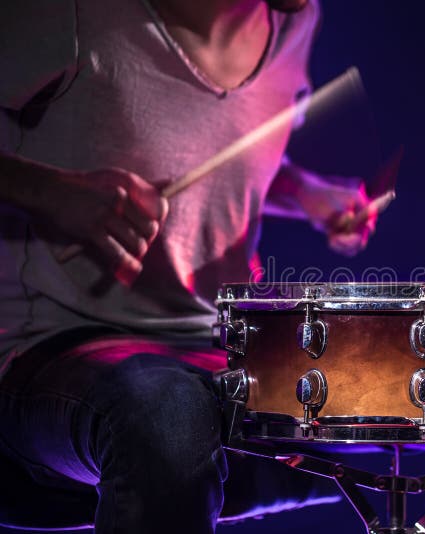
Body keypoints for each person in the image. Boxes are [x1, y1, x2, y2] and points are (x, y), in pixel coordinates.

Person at [0, 0, 375, 531]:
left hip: (212, 353)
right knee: (170, 414)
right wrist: (52, 193)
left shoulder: (294, 22)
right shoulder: (71, 13)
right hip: (46, 348)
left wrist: (303, 192)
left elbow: (210, 142)